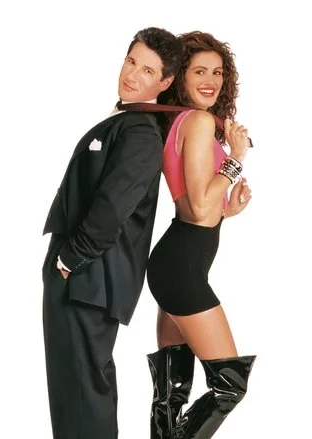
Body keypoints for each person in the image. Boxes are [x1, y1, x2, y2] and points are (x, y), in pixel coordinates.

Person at [40, 27, 182, 438]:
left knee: (83, 394)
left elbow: (112, 207)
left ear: (165, 82)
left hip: (89, 281)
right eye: (131, 61)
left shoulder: (140, 133)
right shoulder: (129, 123)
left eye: (148, 70)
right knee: (77, 391)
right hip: (85, 279)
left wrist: (69, 260)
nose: (132, 74)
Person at [144, 31, 256, 439]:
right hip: (182, 271)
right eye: (199, 71)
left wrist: (227, 210)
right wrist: (236, 159)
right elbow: (197, 206)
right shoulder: (199, 121)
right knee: (229, 385)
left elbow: (197, 207)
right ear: (181, 78)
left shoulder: (182, 122)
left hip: (175, 264)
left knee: (171, 394)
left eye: (218, 72)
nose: (211, 80)